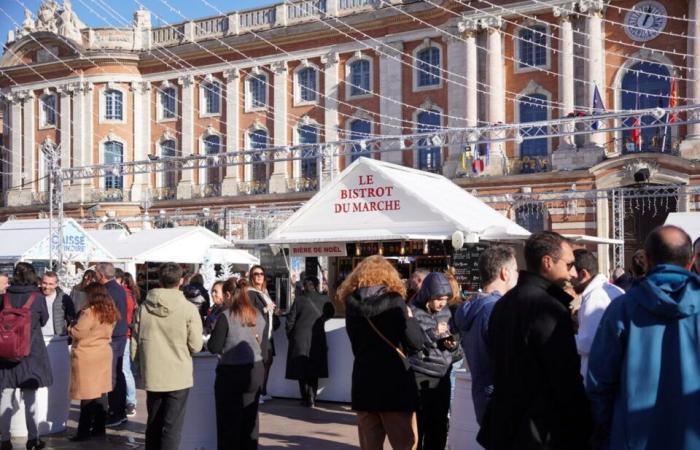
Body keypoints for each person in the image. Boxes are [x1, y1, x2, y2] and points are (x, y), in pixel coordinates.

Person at [587, 225, 700, 450]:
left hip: (632, 436)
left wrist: (611, 428)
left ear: (647, 260)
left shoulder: (621, 308)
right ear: (691, 261)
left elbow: (599, 382)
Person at [478, 231, 592, 450]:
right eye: (569, 265)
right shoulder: (547, 307)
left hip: (507, 428)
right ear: (547, 262)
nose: (574, 273)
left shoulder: (503, 304)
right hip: (539, 433)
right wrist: (583, 428)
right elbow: (565, 379)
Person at [339, 255, 425, 450]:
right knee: (405, 444)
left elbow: (355, 344)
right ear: (389, 276)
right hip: (395, 385)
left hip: (364, 383)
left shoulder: (350, 305)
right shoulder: (395, 302)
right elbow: (416, 342)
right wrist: (410, 318)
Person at [132, 262, 203, 450]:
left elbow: (135, 342)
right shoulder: (189, 309)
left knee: (154, 422)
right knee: (172, 427)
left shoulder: (143, 308)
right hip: (178, 374)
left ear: (160, 280)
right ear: (181, 281)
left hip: (153, 372)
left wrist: (139, 365)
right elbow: (196, 346)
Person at [453, 245, 518, 425]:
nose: (518, 274)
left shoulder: (473, 306)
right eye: (515, 270)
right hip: (501, 398)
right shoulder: (496, 308)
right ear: (505, 272)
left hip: (483, 395)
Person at [207, 278, 266, 450]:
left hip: (231, 373)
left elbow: (214, 347)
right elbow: (262, 345)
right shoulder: (257, 314)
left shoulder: (226, 316)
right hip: (255, 369)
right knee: (250, 418)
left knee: (229, 422)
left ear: (227, 295)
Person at [0, 262, 53, 450]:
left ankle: (4, 439)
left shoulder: (4, 297)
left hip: (6, 355)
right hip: (31, 353)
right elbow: (44, 320)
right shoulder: (37, 298)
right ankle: (33, 438)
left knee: (5, 395)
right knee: (30, 398)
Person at [409, 272, 461, 450]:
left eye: (445, 299)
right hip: (420, 375)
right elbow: (412, 342)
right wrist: (433, 334)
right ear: (428, 296)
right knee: (418, 427)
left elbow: (457, 350)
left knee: (439, 426)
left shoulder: (447, 312)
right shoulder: (412, 312)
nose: (442, 303)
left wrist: (453, 345)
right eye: (438, 298)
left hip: (442, 377)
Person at [68, 283, 120, 441]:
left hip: (87, 354)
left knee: (87, 393)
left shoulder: (89, 312)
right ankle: (99, 427)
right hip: (103, 352)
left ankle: (83, 432)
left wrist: (70, 326)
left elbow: (79, 332)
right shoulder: (110, 310)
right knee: (101, 392)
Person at [571, 249, 624, 382]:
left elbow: (588, 343)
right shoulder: (615, 290)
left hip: (598, 378)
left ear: (583, 274)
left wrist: (562, 338)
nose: (570, 280)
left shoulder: (594, 297)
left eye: (572, 276)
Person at [285, 276, 335, 407]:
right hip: (317, 337)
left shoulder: (299, 300)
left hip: (299, 337)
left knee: (302, 369)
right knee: (315, 368)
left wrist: (291, 335)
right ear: (317, 285)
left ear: (305, 286)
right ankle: (312, 397)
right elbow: (331, 312)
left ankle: (305, 397)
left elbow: (290, 320)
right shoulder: (324, 299)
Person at [95, 263, 128, 427]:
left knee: (112, 376)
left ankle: (116, 412)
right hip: (119, 336)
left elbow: (107, 316)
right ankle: (119, 410)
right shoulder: (118, 288)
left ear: (101, 275)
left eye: (96, 274)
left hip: (113, 337)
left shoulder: (108, 290)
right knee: (117, 373)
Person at [246, 265, 279, 403]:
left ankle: (263, 390)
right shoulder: (250, 293)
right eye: (256, 274)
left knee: (268, 361)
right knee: (260, 364)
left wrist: (274, 312)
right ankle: (256, 393)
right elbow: (251, 312)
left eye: (261, 274)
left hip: (268, 333)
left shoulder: (263, 292)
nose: (259, 276)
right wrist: (266, 309)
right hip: (258, 334)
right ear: (251, 277)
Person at [120, 272, 140, 418]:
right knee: (126, 369)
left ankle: (131, 401)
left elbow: (124, 316)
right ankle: (129, 400)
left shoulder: (124, 295)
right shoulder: (131, 294)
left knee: (125, 369)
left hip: (124, 333)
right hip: (127, 333)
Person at [39, 271, 76, 337]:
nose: (47, 287)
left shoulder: (64, 298)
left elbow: (71, 319)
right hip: (38, 337)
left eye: (51, 284)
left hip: (58, 338)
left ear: (56, 284)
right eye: (44, 283)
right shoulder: (34, 296)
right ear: (41, 282)